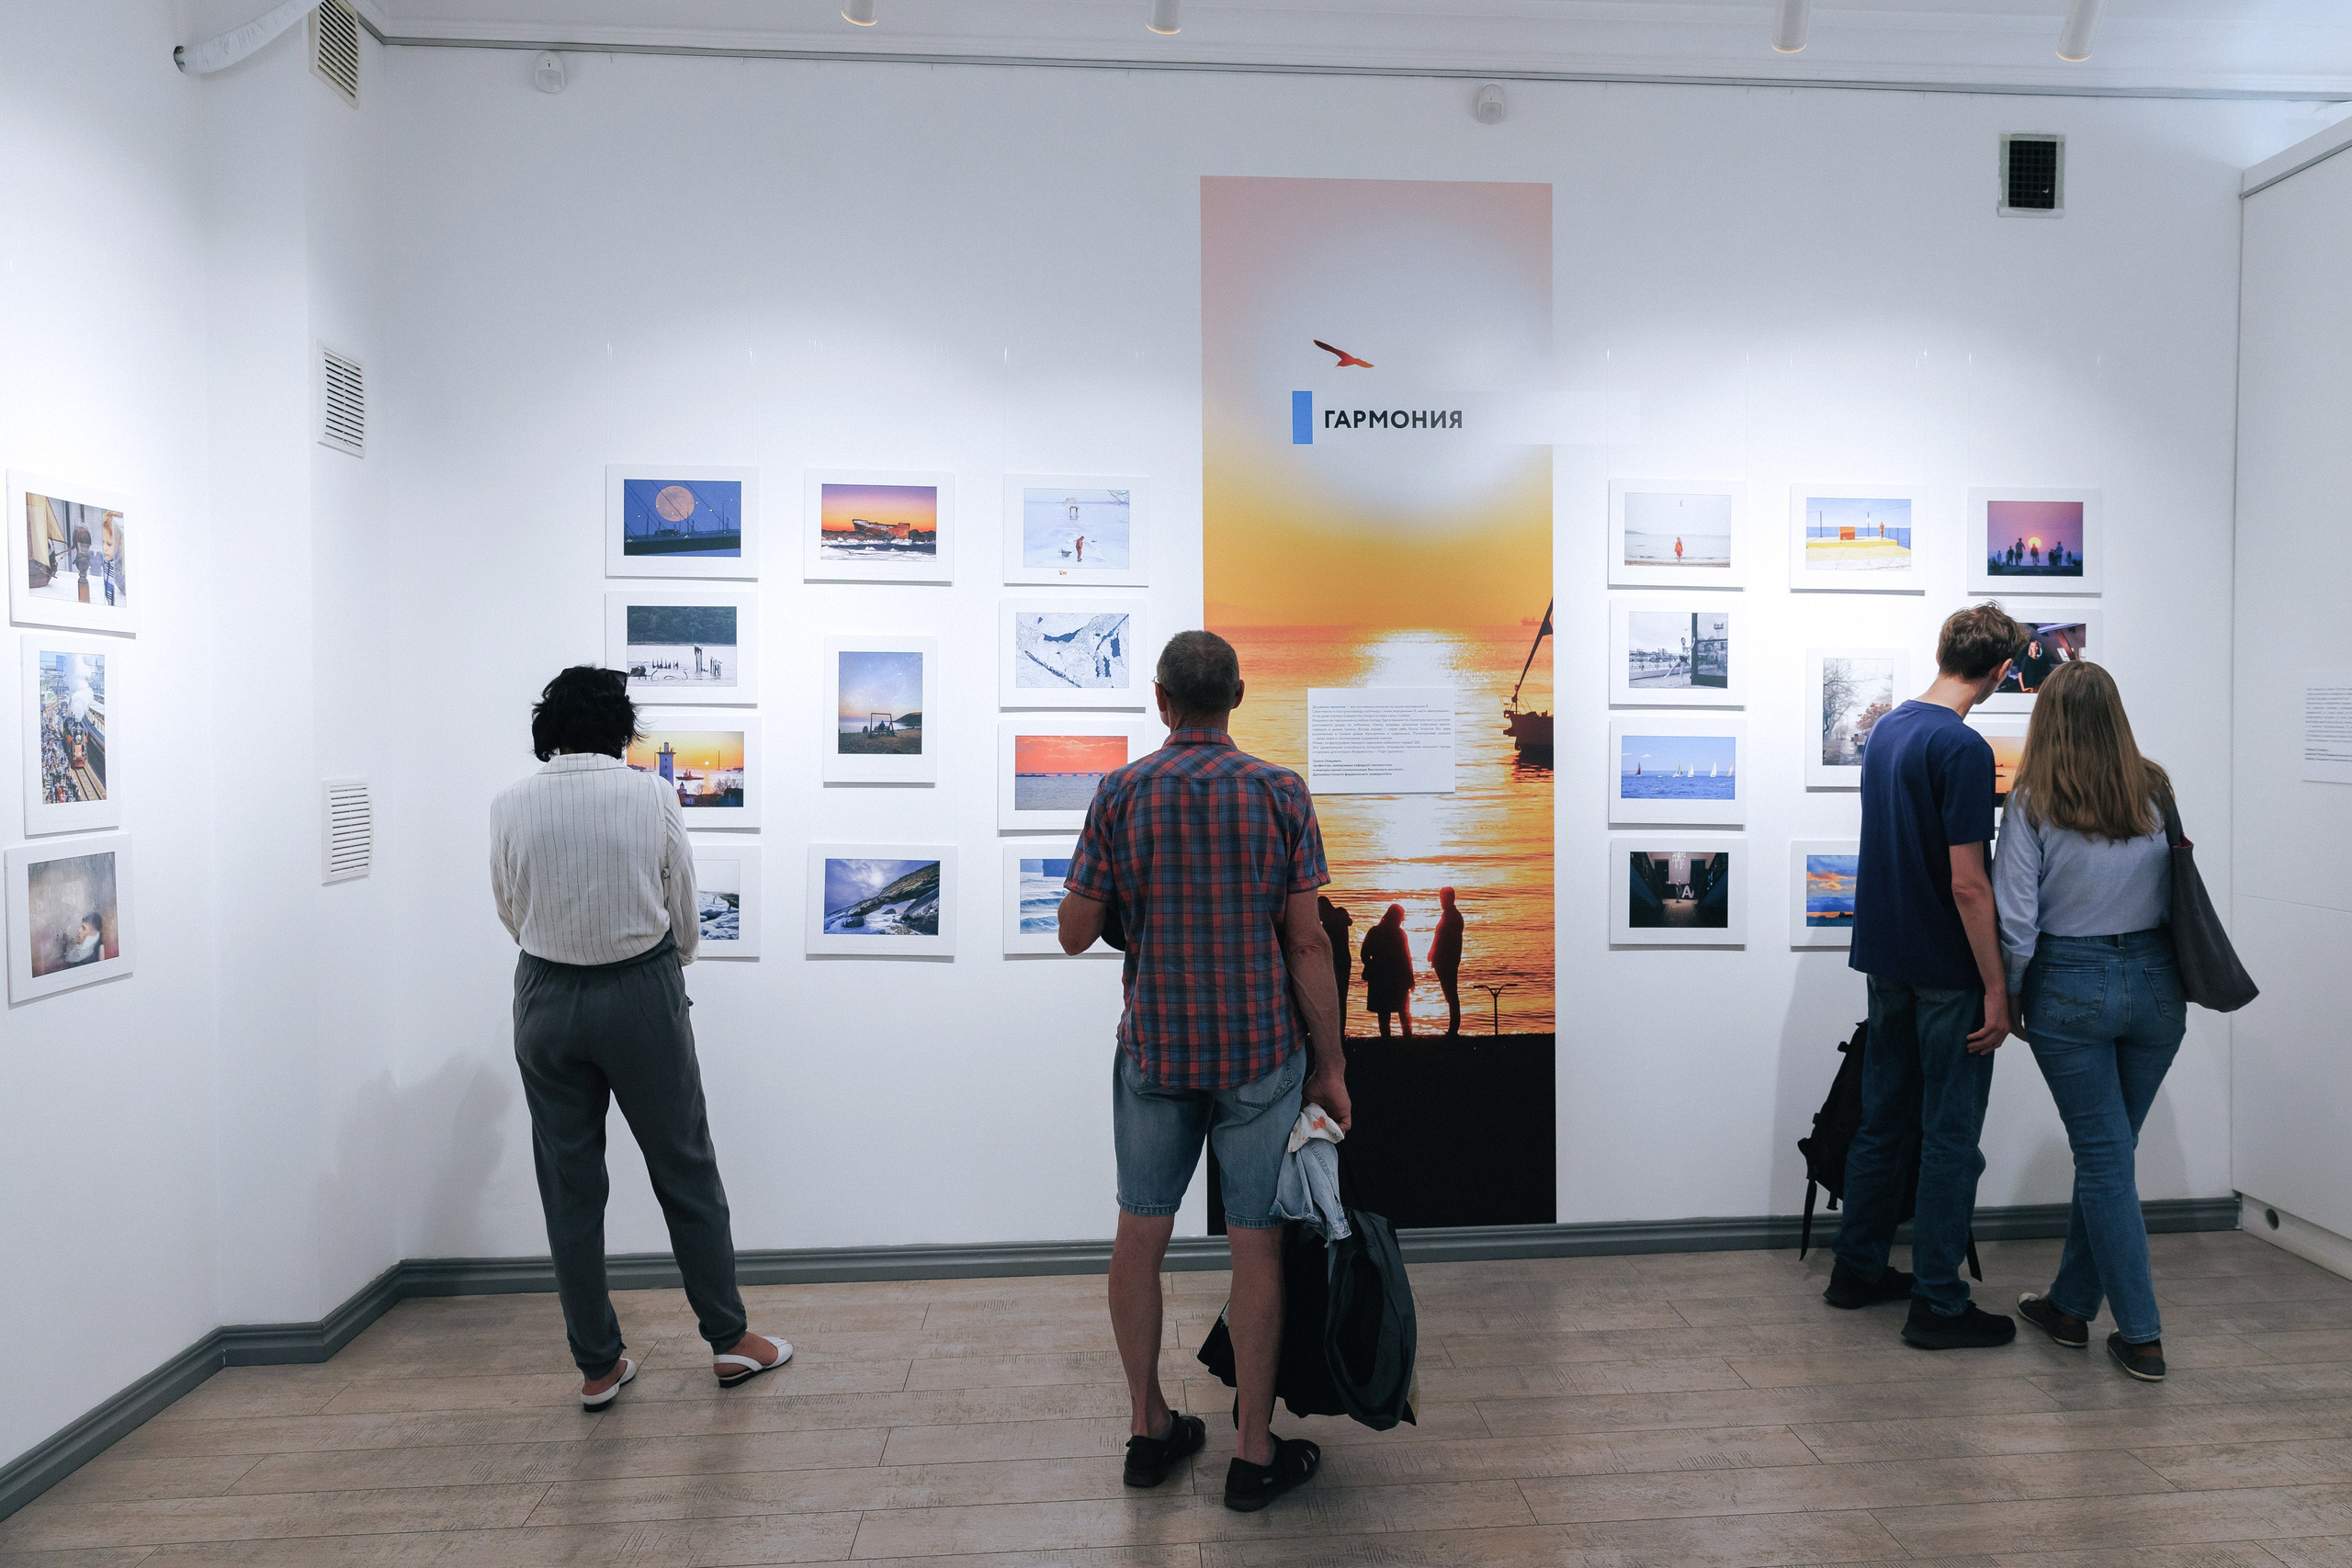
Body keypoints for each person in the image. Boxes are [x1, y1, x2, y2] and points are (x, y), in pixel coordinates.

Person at [1058, 630, 1348, 1515]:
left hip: (1157, 1050)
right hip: (1260, 1054)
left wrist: (1130, 907)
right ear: (1240, 694)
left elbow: (1074, 928)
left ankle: (1150, 1429)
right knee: (1256, 1244)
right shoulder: (1279, 792)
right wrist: (1330, 1065)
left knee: (1139, 1232)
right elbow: (1306, 940)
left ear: (1161, 699)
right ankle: (1253, 1453)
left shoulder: (1121, 791)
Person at [490, 666, 788, 1410]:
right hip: (639, 990)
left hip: (545, 996)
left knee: (569, 1185)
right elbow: (681, 902)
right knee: (684, 1166)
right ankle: (728, 1339)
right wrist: (667, 962)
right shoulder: (650, 794)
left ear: (548, 725)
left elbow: (510, 905)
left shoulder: (509, 803)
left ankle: (597, 1364)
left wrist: (554, 954)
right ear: (619, 726)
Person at [1826, 603, 2026, 1351]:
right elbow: (1969, 884)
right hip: (1946, 967)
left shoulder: (1887, 731)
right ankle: (1939, 1301)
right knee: (1950, 1136)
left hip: (1885, 955)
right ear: (2002, 671)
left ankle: (1857, 1269)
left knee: (1884, 1119)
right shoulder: (1962, 749)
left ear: (1945, 651)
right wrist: (1998, 989)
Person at [1994, 660, 2184, 1383]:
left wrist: (2009, 994)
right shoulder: (2155, 786)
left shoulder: (2036, 797)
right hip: (2158, 987)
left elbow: (2018, 918)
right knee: (2112, 1155)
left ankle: (2141, 1335)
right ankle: (2070, 1307)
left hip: (2070, 986)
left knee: (2104, 1160)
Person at [1361, 904, 1413, 1038]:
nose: (1401, 921)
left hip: (1380, 977)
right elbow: (1406, 958)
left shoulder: (1374, 931)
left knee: (1383, 1012)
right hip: (1398, 977)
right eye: (1401, 918)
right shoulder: (1399, 933)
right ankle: (1407, 1037)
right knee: (1403, 1010)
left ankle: (1386, 1039)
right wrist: (1410, 979)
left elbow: (1364, 953)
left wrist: (1371, 966)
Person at [1430, 887, 1464, 1036]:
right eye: (1441, 899)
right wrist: (1432, 952)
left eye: (1443, 899)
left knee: (1451, 995)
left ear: (1450, 899)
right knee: (1450, 995)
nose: (1441, 902)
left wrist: (1436, 953)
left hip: (1448, 961)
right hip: (1445, 960)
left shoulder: (1453, 917)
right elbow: (1439, 937)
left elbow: (1446, 941)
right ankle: (1453, 1028)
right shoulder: (1448, 915)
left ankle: (1453, 1029)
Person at [1317, 895, 1353, 1035]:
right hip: (1343, 961)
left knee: (1335, 998)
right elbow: (1349, 921)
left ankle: (1336, 1031)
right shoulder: (1340, 914)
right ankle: (1339, 1031)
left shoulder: (1328, 923)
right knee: (1340, 997)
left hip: (1335, 963)